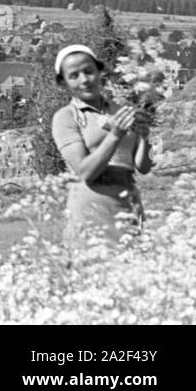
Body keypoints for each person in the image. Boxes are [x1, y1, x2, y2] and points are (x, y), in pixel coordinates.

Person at [50, 44, 153, 243]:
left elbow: (145, 166)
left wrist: (148, 138)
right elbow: (86, 172)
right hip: (92, 209)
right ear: (64, 83)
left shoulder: (121, 110)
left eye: (89, 71)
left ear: (99, 71)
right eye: (74, 76)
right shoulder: (66, 117)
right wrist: (115, 135)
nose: (84, 80)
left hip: (129, 203)